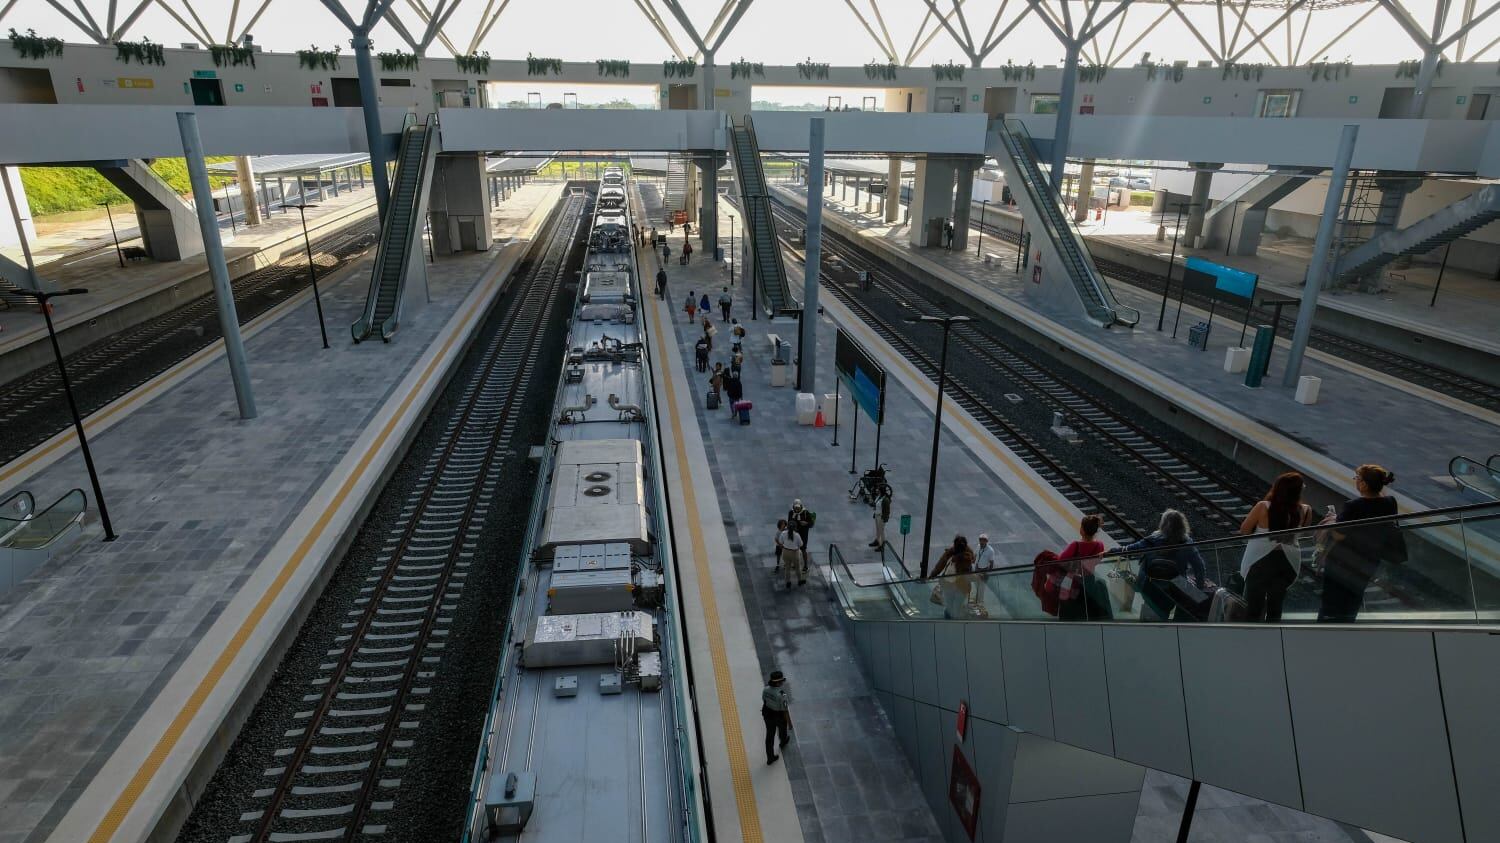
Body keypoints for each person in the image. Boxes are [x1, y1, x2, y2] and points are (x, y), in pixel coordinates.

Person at [1317, 464, 1404, 623]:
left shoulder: (1353, 506)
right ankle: (1347, 628)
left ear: (1363, 484)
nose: (1355, 481)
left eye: (1357, 478)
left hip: (1342, 561)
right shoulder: (1390, 502)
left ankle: (1327, 630)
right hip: (1369, 560)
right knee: (1354, 597)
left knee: (1331, 601)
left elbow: (1338, 535)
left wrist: (1333, 520)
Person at [1238, 472, 1316, 622]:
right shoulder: (1306, 510)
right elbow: (1303, 532)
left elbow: (1244, 530)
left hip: (1259, 560)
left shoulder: (1263, 507)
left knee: (1253, 606)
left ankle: (1249, 638)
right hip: (1288, 562)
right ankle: (1272, 638)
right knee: (1276, 606)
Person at [1122, 510, 1206, 622]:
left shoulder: (1153, 538)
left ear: (1163, 524)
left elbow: (1132, 548)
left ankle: (1149, 627)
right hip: (1175, 586)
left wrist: (1111, 551)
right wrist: (1199, 586)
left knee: (1151, 611)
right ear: (1182, 525)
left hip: (1149, 584)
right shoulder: (1187, 542)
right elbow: (1199, 566)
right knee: (1197, 599)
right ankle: (1177, 626)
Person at [1054, 515, 1108, 620]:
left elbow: (1060, 560)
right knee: (1085, 606)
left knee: (1069, 607)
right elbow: (1097, 561)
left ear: (1082, 530)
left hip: (1073, 581)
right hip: (1089, 580)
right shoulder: (1100, 545)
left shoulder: (1075, 545)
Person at [928, 535, 976, 619]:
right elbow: (941, 564)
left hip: (959, 586)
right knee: (951, 608)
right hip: (952, 586)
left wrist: (958, 558)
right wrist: (933, 574)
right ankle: (950, 622)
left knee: (953, 608)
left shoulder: (966, 558)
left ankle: (951, 622)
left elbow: (940, 565)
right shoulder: (950, 552)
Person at [761, 671, 792, 764]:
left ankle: (770, 757)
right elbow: (785, 710)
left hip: (767, 714)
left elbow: (764, 700)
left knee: (769, 736)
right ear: (779, 682)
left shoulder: (765, 689)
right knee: (782, 729)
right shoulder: (782, 695)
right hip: (778, 716)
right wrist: (790, 723)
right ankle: (783, 742)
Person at [787, 500, 815, 585]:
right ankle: (793, 563)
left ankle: (805, 565)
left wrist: (806, 523)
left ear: (801, 507)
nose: (797, 510)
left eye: (798, 508)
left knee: (803, 549)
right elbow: (789, 521)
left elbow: (811, 524)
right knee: (793, 549)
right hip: (794, 534)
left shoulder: (806, 513)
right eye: (796, 508)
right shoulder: (791, 512)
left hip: (803, 534)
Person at [777, 520, 805, 588]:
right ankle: (800, 581)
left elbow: (780, 542)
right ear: (795, 527)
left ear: (787, 526)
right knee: (798, 568)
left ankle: (788, 582)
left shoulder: (783, 533)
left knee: (787, 568)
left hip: (785, 552)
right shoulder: (797, 535)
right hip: (794, 553)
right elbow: (801, 544)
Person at [972, 532, 996, 602]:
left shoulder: (990, 550)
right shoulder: (978, 546)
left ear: (986, 541)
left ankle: (980, 602)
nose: (981, 542)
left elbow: (991, 563)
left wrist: (987, 573)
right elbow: (975, 555)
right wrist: (973, 562)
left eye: (983, 540)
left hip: (984, 570)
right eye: (980, 540)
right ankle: (977, 599)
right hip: (977, 569)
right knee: (976, 585)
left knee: (982, 588)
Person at [869, 484, 892, 549]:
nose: (876, 490)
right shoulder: (879, 496)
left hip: (881, 517)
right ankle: (877, 541)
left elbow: (887, 511)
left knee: (881, 531)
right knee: (878, 530)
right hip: (877, 515)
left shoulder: (885, 500)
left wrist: (884, 519)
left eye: (878, 489)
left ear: (881, 491)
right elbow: (876, 504)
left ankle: (882, 545)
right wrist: (872, 504)